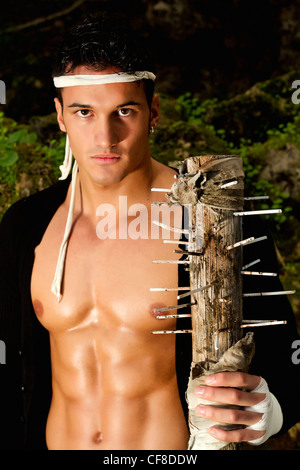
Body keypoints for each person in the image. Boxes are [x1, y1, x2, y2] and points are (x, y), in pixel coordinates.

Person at [0, 15, 299, 451]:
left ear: (153, 112)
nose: (106, 136)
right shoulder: (26, 225)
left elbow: (288, 359)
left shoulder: (212, 218)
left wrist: (268, 410)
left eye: (124, 111)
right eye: (84, 112)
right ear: (60, 116)